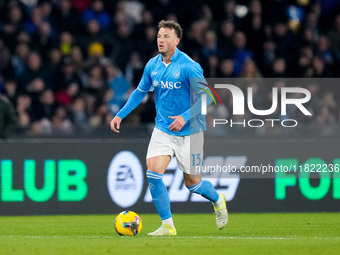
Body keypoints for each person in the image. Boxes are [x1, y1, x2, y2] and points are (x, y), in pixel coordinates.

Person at [110, 20, 228, 236]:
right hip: (163, 129)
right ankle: (168, 225)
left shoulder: (189, 66)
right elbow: (139, 92)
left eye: (166, 37)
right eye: (159, 36)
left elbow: (208, 97)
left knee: (193, 184)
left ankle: (218, 200)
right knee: (154, 174)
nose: (161, 40)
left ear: (177, 41)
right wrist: (120, 114)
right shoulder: (152, 65)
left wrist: (184, 117)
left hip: (190, 131)